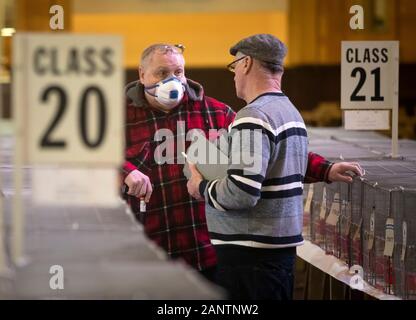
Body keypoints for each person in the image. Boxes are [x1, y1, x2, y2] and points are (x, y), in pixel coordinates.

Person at [123, 43, 362, 283]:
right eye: (162, 73)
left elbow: (265, 150)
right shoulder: (119, 119)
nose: (172, 81)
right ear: (142, 75)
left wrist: (326, 169)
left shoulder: (215, 114)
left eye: (178, 72)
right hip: (146, 253)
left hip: (206, 252)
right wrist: (125, 171)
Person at [186, 34, 363, 299]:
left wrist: (200, 186)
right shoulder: (289, 110)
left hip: (249, 259)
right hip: (274, 256)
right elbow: (278, 164)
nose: (234, 76)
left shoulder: (253, 116)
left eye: (234, 67)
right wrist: (325, 170)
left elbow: (241, 193)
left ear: (246, 64)